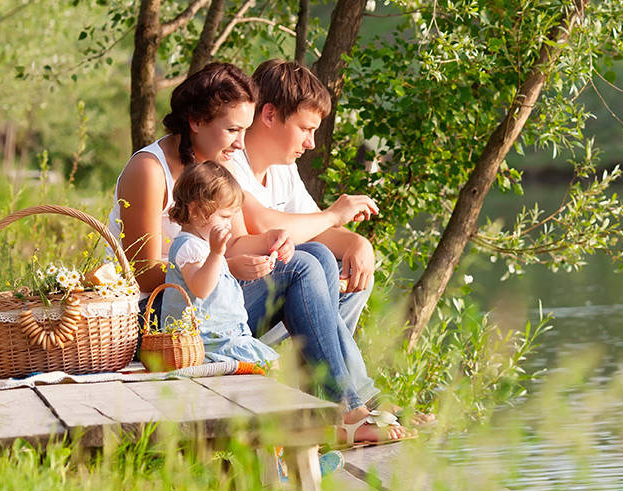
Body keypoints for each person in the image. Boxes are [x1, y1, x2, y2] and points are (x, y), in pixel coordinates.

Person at [109, 61, 413, 444]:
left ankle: (332, 401)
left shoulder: (213, 166)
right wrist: (224, 266)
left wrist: (275, 242)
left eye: (244, 130)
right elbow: (148, 275)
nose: (239, 143)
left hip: (204, 303)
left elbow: (234, 242)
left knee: (312, 254)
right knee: (302, 265)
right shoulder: (150, 170)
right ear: (196, 121)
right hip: (158, 319)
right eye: (233, 130)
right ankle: (348, 408)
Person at [229, 59, 376, 335]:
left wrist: (357, 243)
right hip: (231, 302)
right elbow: (261, 224)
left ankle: (323, 367)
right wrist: (333, 214)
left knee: (356, 273)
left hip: (264, 298)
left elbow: (314, 230)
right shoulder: (229, 158)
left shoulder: (283, 169)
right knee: (308, 262)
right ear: (270, 115)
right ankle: (333, 372)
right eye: (306, 129)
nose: (311, 143)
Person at [160, 161, 280, 367]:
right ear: (195, 210)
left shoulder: (202, 246)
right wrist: (216, 254)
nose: (229, 223)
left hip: (224, 335)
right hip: (203, 342)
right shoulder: (189, 247)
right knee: (264, 366)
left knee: (270, 364)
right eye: (224, 216)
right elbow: (201, 288)